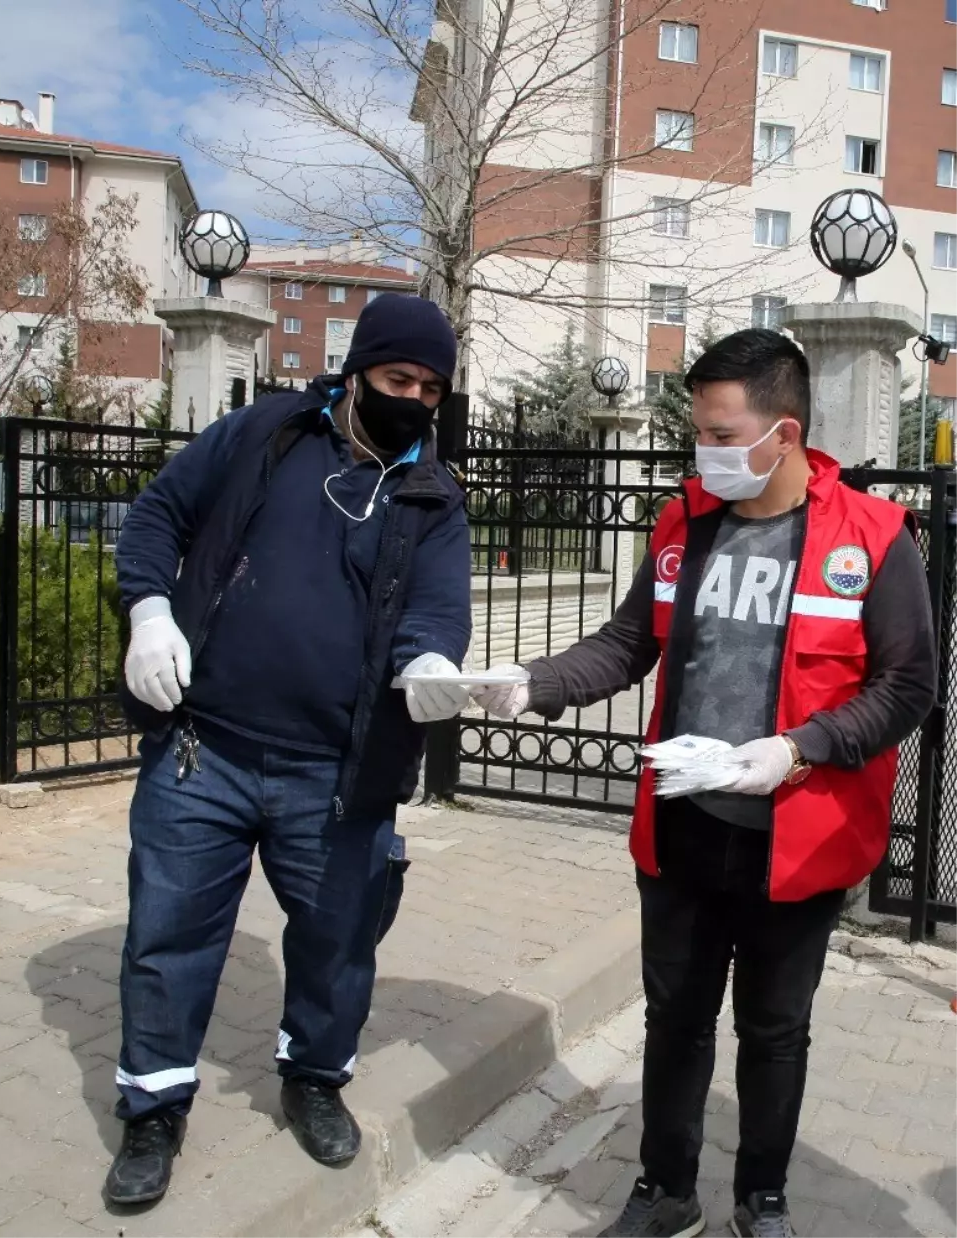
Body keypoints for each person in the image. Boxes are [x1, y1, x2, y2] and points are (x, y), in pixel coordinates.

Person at [472, 329, 935, 1238]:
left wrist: (799, 748)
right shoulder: (685, 524)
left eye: (723, 436)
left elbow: (908, 685)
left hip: (794, 839)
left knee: (774, 1031)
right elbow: (626, 643)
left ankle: (761, 1196)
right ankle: (664, 1188)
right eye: (700, 433)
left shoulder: (872, 539)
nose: (705, 453)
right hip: (685, 828)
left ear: (785, 433)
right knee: (674, 1020)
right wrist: (535, 683)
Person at [107, 293, 473, 1207]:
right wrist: (149, 612)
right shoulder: (264, 434)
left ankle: (314, 1078)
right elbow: (157, 518)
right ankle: (153, 1106)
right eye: (399, 380)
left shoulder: (433, 491)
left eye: (432, 387)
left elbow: (436, 607)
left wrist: (430, 659)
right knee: (168, 935)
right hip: (207, 751)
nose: (415, 400)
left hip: (337, 775)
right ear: (356, 373)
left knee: (338, 942)